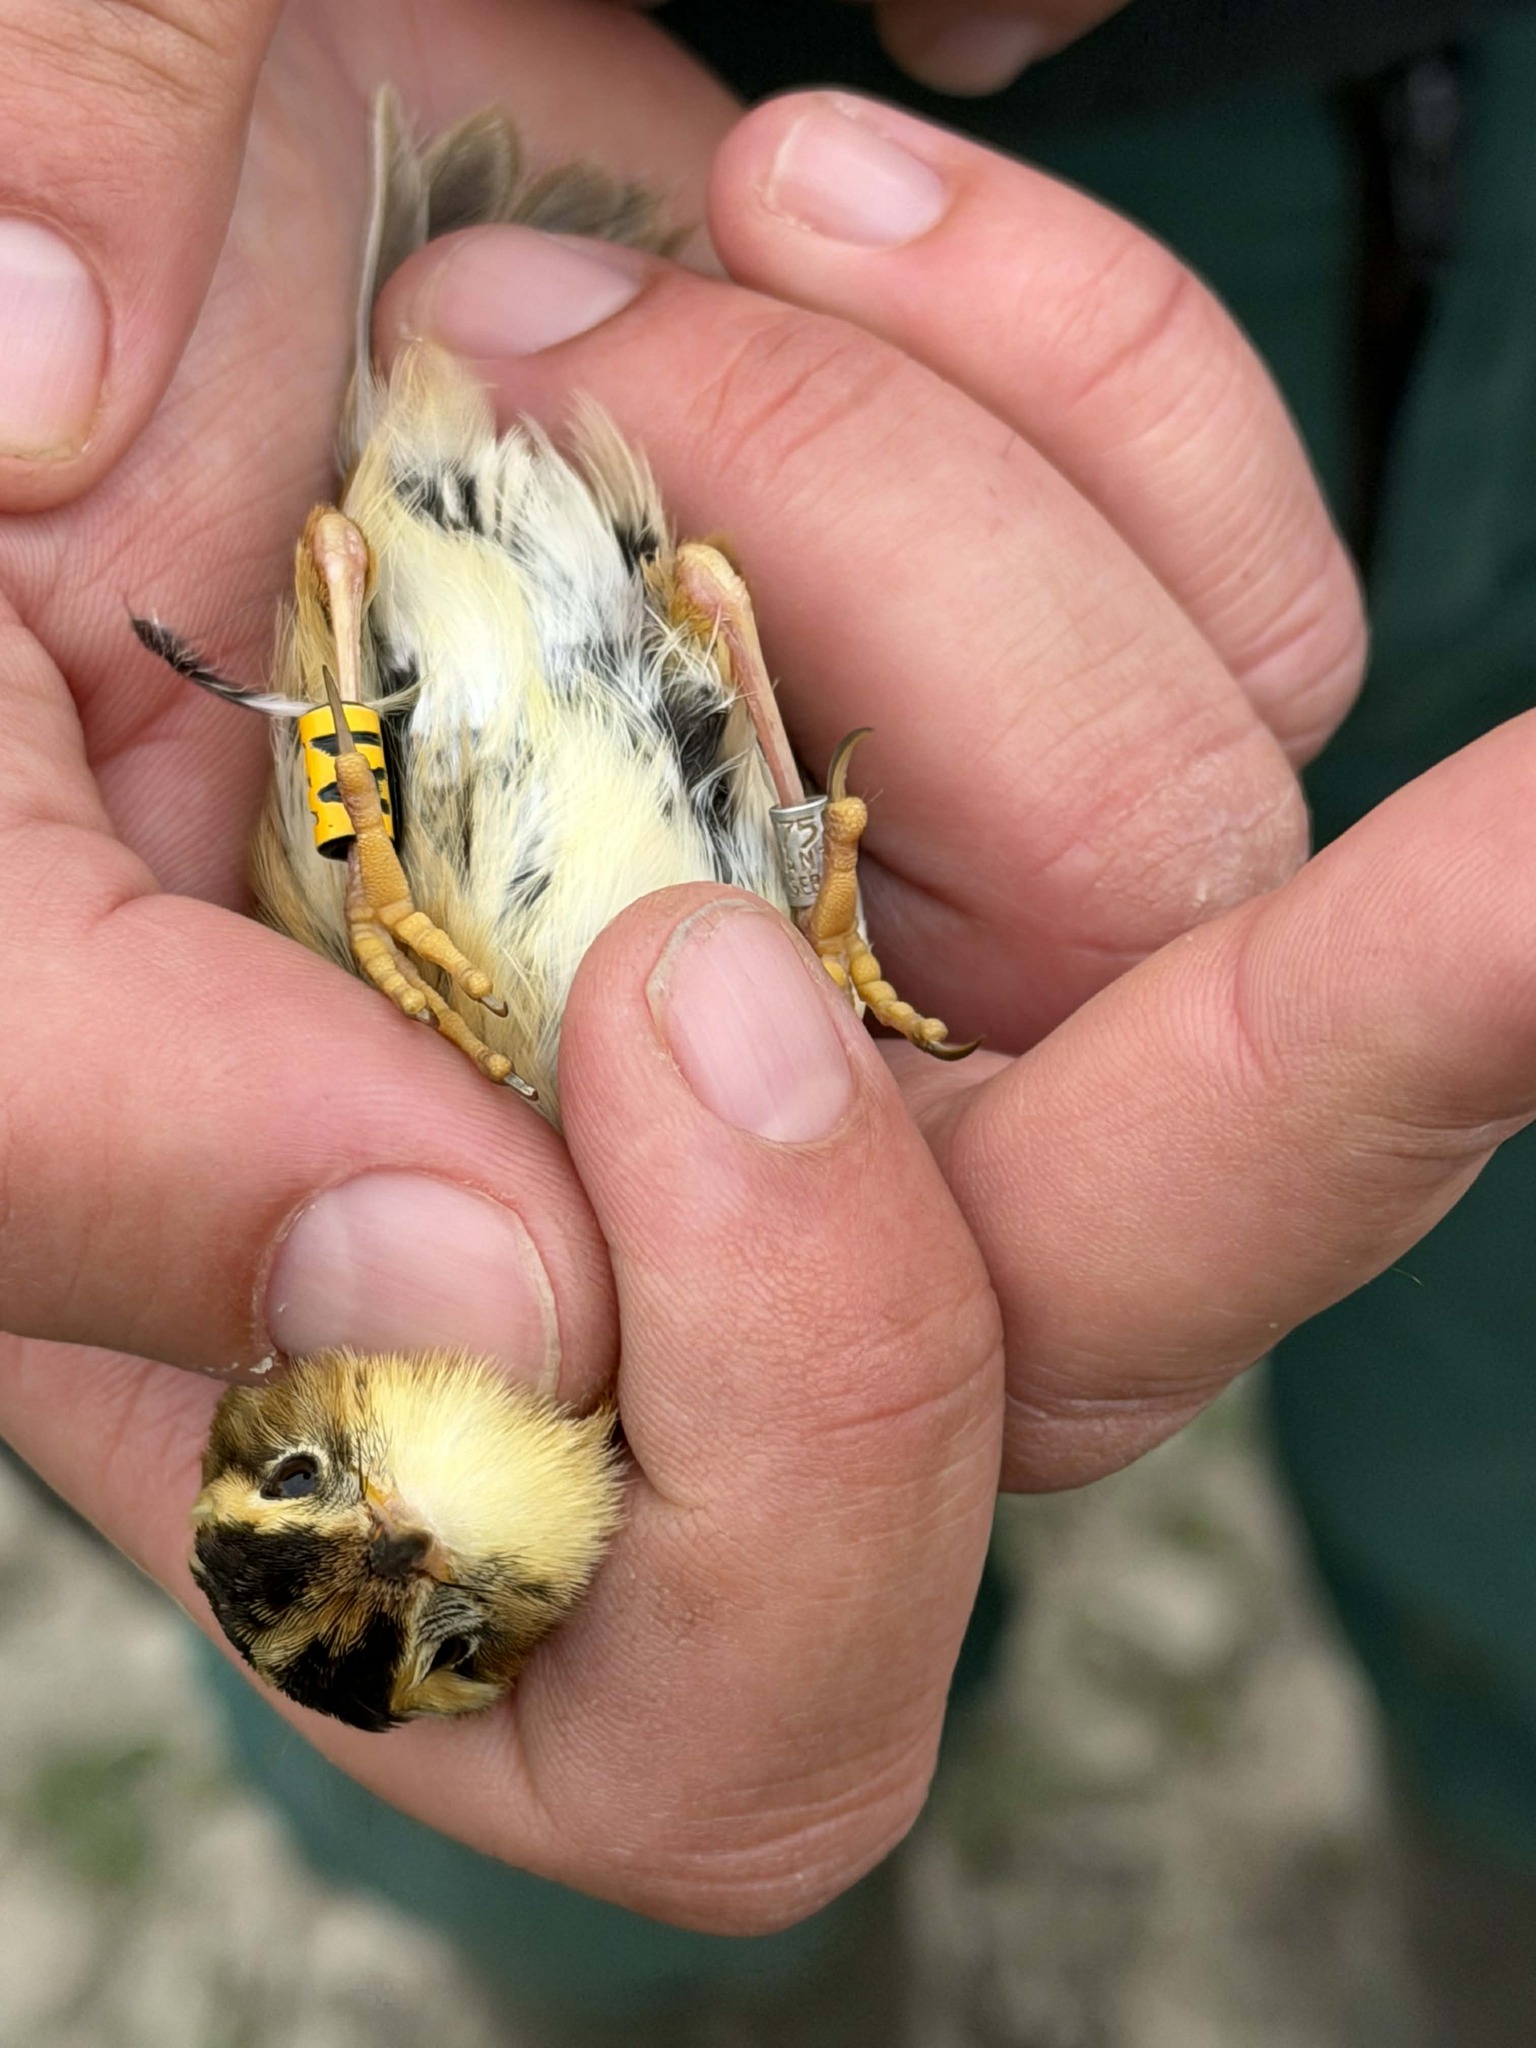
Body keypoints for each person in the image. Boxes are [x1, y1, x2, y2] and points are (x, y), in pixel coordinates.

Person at [0, 0, 1533, 2037]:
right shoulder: (598, 1357)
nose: (397, 1552)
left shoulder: (364, 1206)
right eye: (439, 1619)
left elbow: (342, 618)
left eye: (322, 1508)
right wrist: (812, 902)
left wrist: (362, 857)